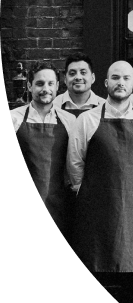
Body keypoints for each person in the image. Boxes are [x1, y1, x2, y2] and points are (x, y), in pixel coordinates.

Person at [67, 61, 133, 303]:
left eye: (126, 78)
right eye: (115, 77)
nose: (120, 82)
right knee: (96, 268)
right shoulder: (87, 120)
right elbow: (75, 165)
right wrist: (92, 195)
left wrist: (130, 188)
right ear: (106, 83)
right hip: (96, 212)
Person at [12, 62, 76, 239]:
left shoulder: (69, 121)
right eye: (40, 84)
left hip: (59, 206)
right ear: (29, 86)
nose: (45, 89)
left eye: (50, 84)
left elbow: (75, 163)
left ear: (57, 86)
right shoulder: (14, 118)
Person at [52, 52, 105, 116]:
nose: (78, 77)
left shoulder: (104, 107)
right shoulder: (53, 105)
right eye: (72, 73)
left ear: (93, 78)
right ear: (65, 79)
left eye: (83, 73)